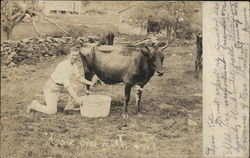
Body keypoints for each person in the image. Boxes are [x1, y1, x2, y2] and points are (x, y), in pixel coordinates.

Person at [27, 47, 95, 114]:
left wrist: (90, 83)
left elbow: (79, 77)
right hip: (52, 88)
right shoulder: (64, 65)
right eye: (73, 55)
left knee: (75, 87)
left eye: (76, 55)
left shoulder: (73, 65)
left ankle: (69, 108)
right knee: (51, 111)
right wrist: (76, 99)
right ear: (68, 55)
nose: (75, 57)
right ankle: (34, 105)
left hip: (61, 86)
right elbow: (68, 87)